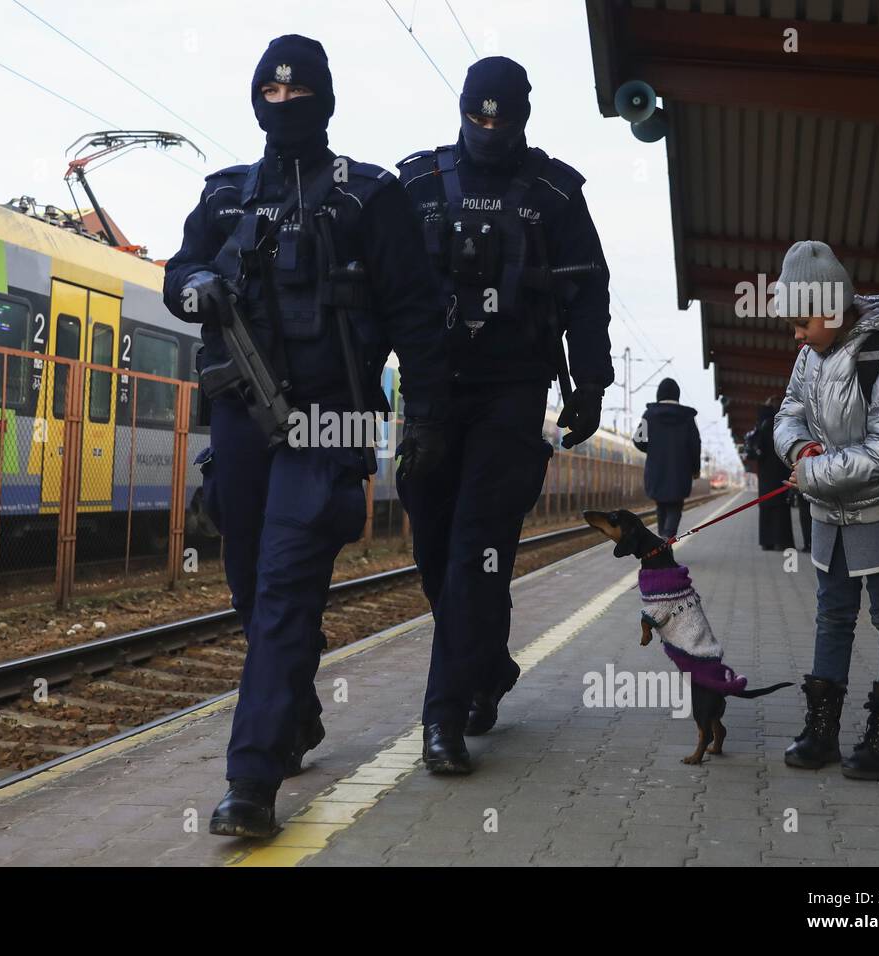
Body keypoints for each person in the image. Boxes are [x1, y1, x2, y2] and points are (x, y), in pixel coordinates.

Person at [163, 35, 451, 836]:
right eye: (270, 94)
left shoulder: (370, 199)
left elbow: (417, 316)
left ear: (324, 100)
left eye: (297, 95)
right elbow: (175, 274)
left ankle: (251, 782)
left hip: (332, 420)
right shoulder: (224, 197)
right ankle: (293, 713)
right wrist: (199, 286)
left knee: (288, 587)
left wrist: (423, 413)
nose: (282, 106)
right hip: (240, 419)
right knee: (252, 586)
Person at [396, 56, 612, 773]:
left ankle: (443, 719)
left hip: (513, 393)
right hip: (430, 393)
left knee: (474, 553)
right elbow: (375, 292)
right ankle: (486, 668)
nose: (488, 130)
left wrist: (590, 384)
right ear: (461, 111)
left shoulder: (555, 193)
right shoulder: (419, 183)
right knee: (434, 553)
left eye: (502, 118)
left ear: (523, 117)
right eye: (476, 116)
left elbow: (587, 295)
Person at [772, 240, 879, 781]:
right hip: (828, 517)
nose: (796, 334)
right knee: (831, 616)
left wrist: (812, 472)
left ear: (833, 307)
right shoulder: (808, 357)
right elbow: (788, 410)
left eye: (802, 321)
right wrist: (797, 449)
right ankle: (822, 731)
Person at [632, 378, 700, 539]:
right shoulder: (687, 418)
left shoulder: (649, 415)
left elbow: (638, 440)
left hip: (656, 470)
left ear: (658, 395)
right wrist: (695, 469)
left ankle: (663, 541)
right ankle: (665, 540)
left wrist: (653, 450)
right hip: (680, 471)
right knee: (675, 507)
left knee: (661, 505)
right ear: (677, 396)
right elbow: (695, 445)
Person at [753, 397, 795, 551]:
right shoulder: (782, 426)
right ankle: (781, 542)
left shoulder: (762, 426)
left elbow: (756, 450)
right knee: (781, 509)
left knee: (766, 507)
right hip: (781, 472)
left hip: (765, 475)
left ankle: (766, 542)